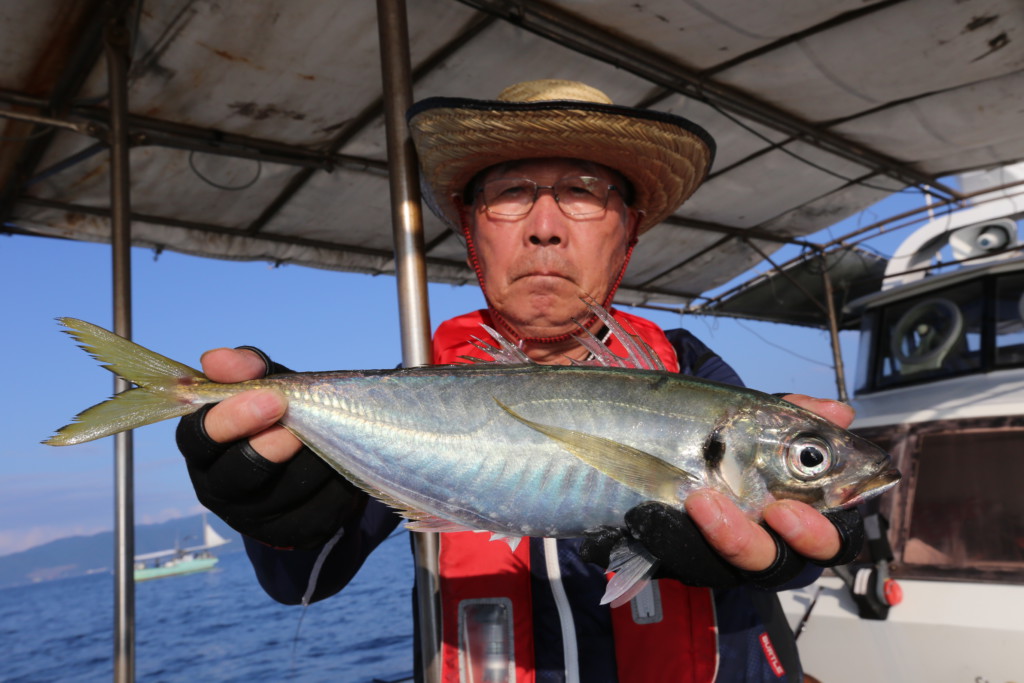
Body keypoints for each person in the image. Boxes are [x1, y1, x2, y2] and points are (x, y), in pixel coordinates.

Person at [176, 80, 863, 682]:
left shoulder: (690, 370)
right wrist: (270, 509)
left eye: (583, 192)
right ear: (472, 230)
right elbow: (304, 578)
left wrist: (806, 544)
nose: (544, 228)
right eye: (510, 194)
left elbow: (801, 527)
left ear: (628, 232)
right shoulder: (407, 396)